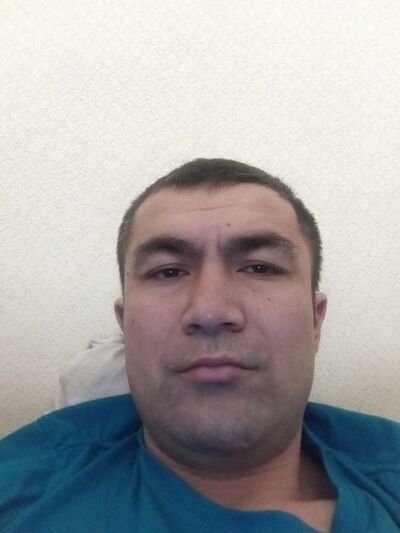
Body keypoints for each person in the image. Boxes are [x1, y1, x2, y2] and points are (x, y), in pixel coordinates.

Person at [0, 158, 398, 532]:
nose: (210, 310)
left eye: (260, 267)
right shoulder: (21, 490)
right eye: (168, 272)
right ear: (125, 325)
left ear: (315, 320)